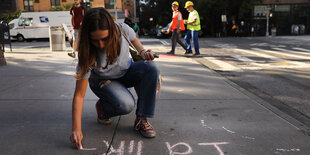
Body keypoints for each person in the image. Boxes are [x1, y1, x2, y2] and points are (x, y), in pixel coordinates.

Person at [69, 7, 160, 150]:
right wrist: (76, 129)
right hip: (103, 81)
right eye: (95, 40)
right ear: (88, 37)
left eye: (104, 39)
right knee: (126, 105)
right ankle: (103, 109)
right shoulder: (86, 52)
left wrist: (145, 53)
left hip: (125, 72)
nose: (101, 45)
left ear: (112, 30)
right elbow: (79, 95)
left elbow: (140, 50)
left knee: (151, 68)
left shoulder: (123, 30)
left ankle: (142, 119)